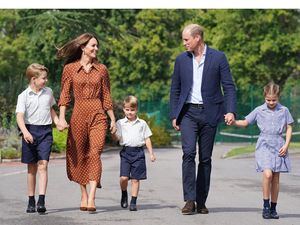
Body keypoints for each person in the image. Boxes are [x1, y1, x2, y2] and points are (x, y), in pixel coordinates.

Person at [169, 23, 237, 215]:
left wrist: (231, 110)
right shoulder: (181, 60)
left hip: (210, 113)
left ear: (197, 37)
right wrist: (175, 114)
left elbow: (229, 87)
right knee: (188, 153)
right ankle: (189, 200)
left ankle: (202, 201)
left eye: (186, 39)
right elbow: (175, 89)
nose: (184, 43)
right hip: (188, 113)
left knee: (205, 159)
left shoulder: (218, 57)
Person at [56, 33, 116, 212]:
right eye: (93, 46)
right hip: (78, 115)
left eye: (97, 46)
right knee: (78, 154)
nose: (96, 49)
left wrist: (112, 118)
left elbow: (106, 96)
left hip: (98, 114)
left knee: (95, 153)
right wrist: (61, 118)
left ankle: (91, 198)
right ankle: (83, 193)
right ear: (82, 47)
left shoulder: (102, 69)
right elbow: (65, 96)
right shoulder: (70, 69)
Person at [232, 82, 293, 219]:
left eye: (274, 100)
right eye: (268, 100)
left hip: (279, 145)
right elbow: (246, 122)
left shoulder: (284, 110)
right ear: (264, 97)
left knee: (276, 178)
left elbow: (289, 127)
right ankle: (265, 206)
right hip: (264, 145)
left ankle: (273, 208)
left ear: (278, 97)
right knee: (267, 175)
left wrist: (287, 145)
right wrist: (234, 122)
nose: (271, 102)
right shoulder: (259, 110)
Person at [16, 63, 59, 213]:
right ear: (34, 79)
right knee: (31, 168)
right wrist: (25, 132)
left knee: (43, 165)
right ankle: (31, 200)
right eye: (43, 78)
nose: (46, 81)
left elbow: (51, 110)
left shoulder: (48, 92)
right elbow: (19, 117)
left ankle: (41, 200)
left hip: (45, 132)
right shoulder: (23, 96)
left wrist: (58, 121)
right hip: (30, 131)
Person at [112, 95, 156, 211]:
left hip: (138, 153)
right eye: (127, 110)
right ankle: (124, 192)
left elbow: (147, 138)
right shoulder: (120, 123)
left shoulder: (142, 123)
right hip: (126, 152)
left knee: (136, 179)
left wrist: (151, 153)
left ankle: (133, 201)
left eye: (132, 110)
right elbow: (117, 138)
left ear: (136, 110)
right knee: (124, 178)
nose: (130, 112)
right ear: (123, 109)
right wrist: (113, 133)